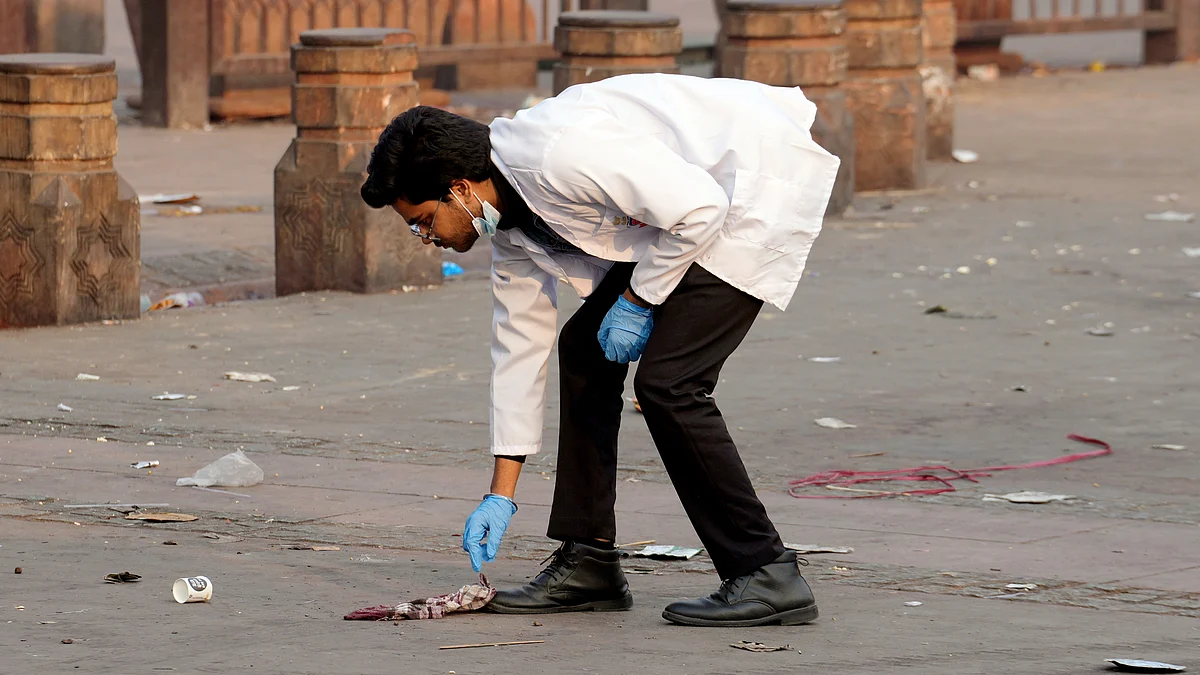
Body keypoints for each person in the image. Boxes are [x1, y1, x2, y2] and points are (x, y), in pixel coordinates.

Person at [360, 73, 839, 627]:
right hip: (679, 218)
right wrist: (501, 494)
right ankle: (588, 561)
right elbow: (518, 348)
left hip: (741, 193)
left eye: (423, 221)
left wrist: (638, 298)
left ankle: (765, 572)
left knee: (670, 385)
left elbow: (701, 207)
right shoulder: (510, 228)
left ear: (461, 189)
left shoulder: (557, 154)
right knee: (585, 351)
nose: (427, 239)